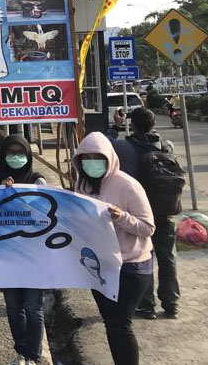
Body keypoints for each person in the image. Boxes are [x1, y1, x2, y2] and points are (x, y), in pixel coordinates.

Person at [73, 132, 154, 365]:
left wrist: (121, 217)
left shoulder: (128, 185)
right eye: (86, 158)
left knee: (120, 324)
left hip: (130, 266)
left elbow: (148, 227)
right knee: (111, 323)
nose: (92, 163)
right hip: (100, 265)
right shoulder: (83, 184)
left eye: (97, 157)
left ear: (108, 158)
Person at [112, 107, 179, 320]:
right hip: (165, 209)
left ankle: (146, 305)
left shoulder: (124, 147)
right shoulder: (166, 146)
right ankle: (171, 303)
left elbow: (102, 145)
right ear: (154, 124)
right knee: (167, 257)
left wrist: (116, 126)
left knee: (144, 256)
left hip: (139, 212)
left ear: (133, 124)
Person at [0, 134, 46, 365]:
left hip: (33, 255)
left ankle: (34, 356)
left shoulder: (37, 181)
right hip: (5, 253)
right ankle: (21, 351)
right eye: (11, 153)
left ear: (28, 156)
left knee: (32, 306)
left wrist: (19, 196)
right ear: (3, 156)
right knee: (13, 306)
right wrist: (0, 192)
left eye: (20, 153)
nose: (16, 157)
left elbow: (45, 215)